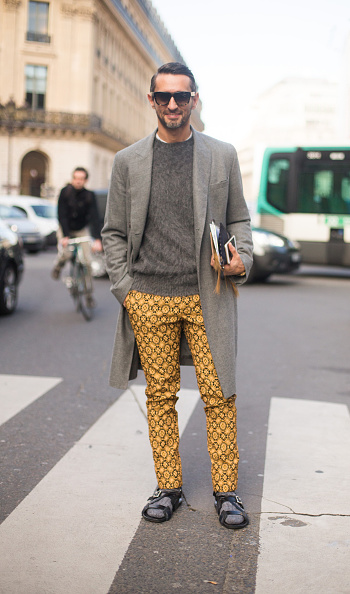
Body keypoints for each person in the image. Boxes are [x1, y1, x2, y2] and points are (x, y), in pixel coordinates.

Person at [101, 62, 253, 529]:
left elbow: (240, 220)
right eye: (164, 97)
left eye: (181, 97)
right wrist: (126, 289)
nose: (172, 105)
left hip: (206, 294)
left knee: (218, 394)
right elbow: (113, 233)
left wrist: (241, 258)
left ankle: (226, 492)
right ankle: (168, 487)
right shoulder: (128, 161)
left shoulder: (221, 155)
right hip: (149, 297)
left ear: (194, 100)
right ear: (152, 100)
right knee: (161, 396)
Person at [51, 167, 102, 306]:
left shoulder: (89, 195)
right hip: (66, 228)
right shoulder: (65, 192)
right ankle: (58, 266)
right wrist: (65, 236)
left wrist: (97, 239)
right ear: (72, 178)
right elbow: (61, 214)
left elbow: (94, 217)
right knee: (66, 253)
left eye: (81, 179)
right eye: (76, 178)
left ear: (85, 180)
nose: (78, 181)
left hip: (81, 229)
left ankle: (89, 295)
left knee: (87, 262)